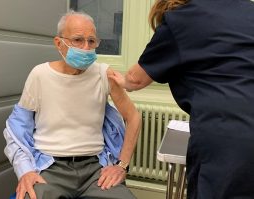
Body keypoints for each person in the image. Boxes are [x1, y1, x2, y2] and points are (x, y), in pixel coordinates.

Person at [109, 0, 254, 199]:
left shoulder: (183, 17)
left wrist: (122, 81)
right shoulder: (248, 10)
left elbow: (136, 79)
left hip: (227, 136)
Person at [3, 11, 140, 199]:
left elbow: (133, 116)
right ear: (59, 43)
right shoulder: (40, 75)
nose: (86, 48)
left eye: (91, 41)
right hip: (51, 167)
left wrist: (121, 166)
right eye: (78, 40)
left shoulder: (104, 74)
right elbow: (17, 129)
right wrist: (25, 171)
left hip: (95, 170)